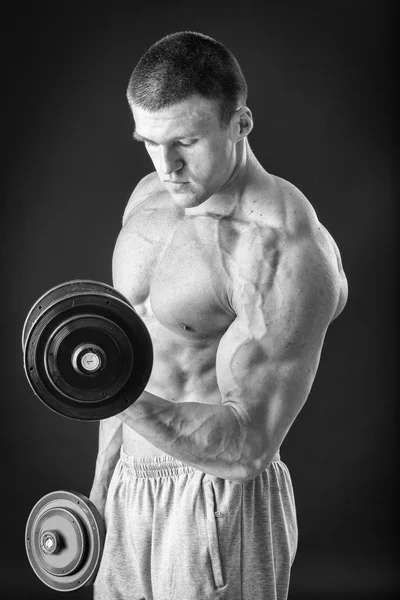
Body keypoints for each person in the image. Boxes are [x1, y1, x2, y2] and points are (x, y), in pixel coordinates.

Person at [90, 31, 348, 600]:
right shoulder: (148, 199)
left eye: (186, 140)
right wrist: (100, 493)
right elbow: (134, 359)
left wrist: (98, 389)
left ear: (241, 123)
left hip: (216, 502)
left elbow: (246, 446)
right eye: (150, 142)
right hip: (129, 491)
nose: (167, 166)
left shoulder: (280, 248)